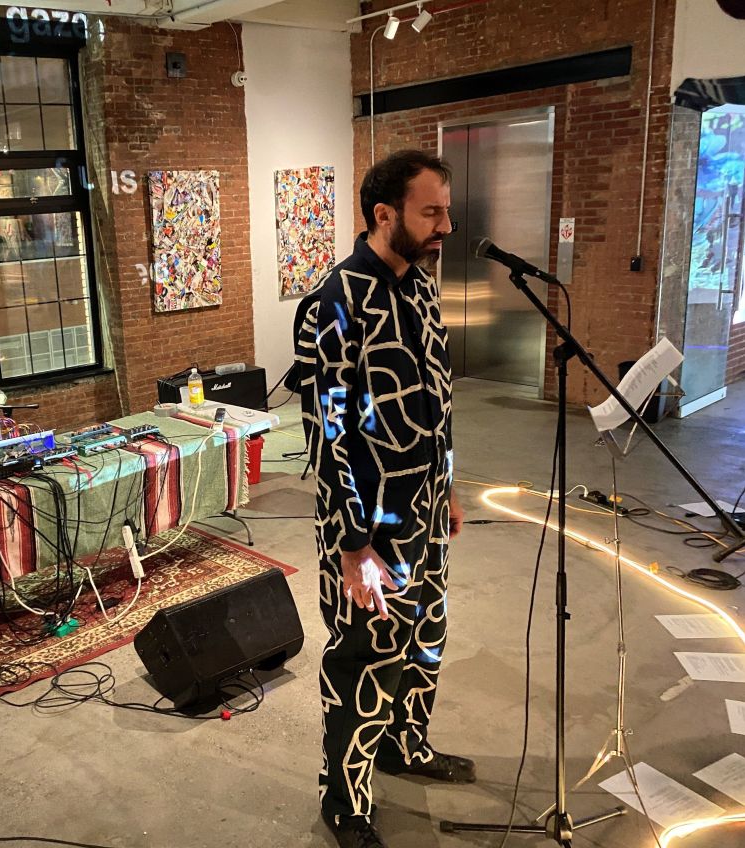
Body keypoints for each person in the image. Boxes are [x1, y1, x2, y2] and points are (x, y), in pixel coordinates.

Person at [295, 150, 468, 848]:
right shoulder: (331, 306)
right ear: (383, 214)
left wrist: (449, 484)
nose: (445, 227)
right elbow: (327, 436)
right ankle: (344, 799)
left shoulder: (421, 290)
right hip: (367, 528)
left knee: (424, 639)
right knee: (365, 658)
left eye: (445, 211)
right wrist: (352, 547)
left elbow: (438, 402)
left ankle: (406, 745)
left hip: (426, 508)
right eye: (431, 213)